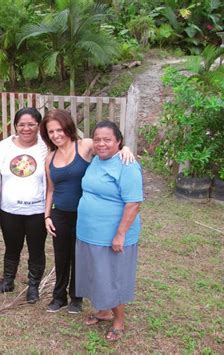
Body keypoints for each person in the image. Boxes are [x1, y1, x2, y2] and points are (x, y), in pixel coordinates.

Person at [40, 110, 134, 314]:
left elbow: (107, 143)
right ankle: (59, 297)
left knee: (80, 257)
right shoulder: (49, 158)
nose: (56, 135)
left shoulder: (84, 145)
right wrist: (47, 215)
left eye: (60, 130)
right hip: (60, 215)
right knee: (61, 256)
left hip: (84, 215)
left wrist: (126, 147)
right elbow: (50, 190)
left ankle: (76, 298)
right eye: (51, 132)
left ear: (68, 128)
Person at [76, 120, 143, 341]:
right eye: (98, 139)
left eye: (108, 140)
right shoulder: (96, 159)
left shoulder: (127, 165)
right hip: (90, 231)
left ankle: (119, 320)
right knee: (96, 272)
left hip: (112, 234)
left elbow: (133, 203)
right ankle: (104, 311)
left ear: (119, 142)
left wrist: (120, 234)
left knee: (113, 276)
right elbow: (73, 137)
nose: (101, 143)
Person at [0, 107, 48, 303]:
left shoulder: (46, 147)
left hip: (37, 211)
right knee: (11, 248)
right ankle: (7, 281)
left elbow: (78, 145)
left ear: (38, 126)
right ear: (15, 126)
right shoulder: (3, 148)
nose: (26, 128)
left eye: (31, 125)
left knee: (36, 249)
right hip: (9, 211)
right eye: (21, 124)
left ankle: (33, 286)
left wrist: (124, 148)